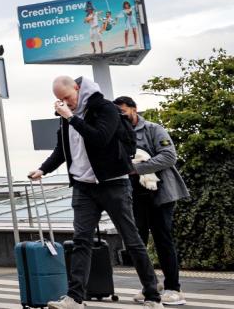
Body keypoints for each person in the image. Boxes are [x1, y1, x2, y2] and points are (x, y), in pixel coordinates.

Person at [28, 76, 162, 309]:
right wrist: (43, 169)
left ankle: (152, 295)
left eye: (67, 97)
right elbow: (62, 149)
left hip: (113, 183)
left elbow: (99, 138)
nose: (65, 103)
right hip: (83, 186)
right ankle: (75, 298)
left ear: (77, 88)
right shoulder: (65, 118)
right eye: (59, 100)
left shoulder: (104, 108)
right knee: (81, 241)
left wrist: (71, 118)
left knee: (131, 239)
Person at [114, 95, 189, 306]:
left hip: (161, 194)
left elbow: (168, 157)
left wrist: (134, 168)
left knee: (163, 239)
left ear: (134, 109)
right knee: (139, 243)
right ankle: (151, 286)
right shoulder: (118, 134)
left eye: (123, 112)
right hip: (133, 195)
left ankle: (174, 287)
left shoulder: (154, 129)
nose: (121, 117)